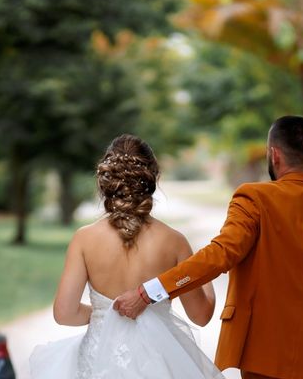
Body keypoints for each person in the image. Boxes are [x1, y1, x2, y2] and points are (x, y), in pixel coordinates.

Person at [114, 116, 303, 379]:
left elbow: (220, 255)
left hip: (267, 356)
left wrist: (149, 292)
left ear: (275, 155)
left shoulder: (254, 198)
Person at [29, 134, 224, 379]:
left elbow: (64, 313)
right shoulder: (174, 241)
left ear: (106, 181)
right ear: (153, 178)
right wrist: (204, 271)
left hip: (98, 361)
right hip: (159, 362)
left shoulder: (84, 239)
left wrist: (104, 314)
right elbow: (201, 315)